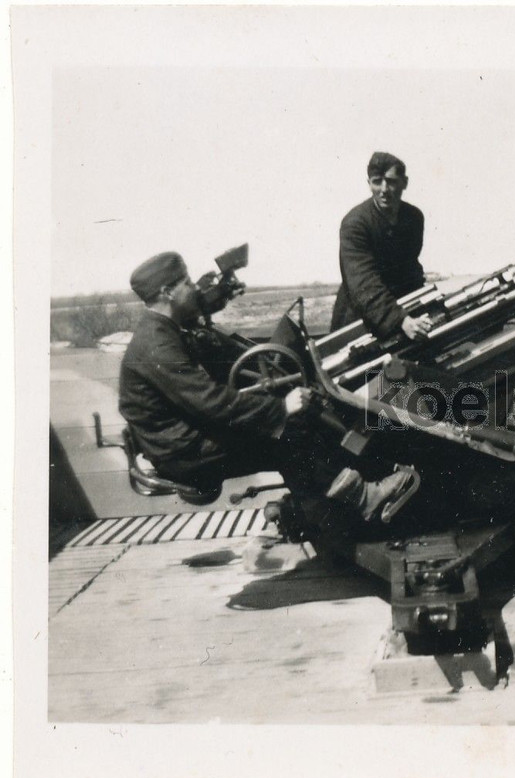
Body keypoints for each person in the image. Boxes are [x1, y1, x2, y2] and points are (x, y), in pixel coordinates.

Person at [118, 250, 409, 522]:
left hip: (185, 437)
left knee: (290, 426)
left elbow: (210, 356)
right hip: (184, 452)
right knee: (289, 433)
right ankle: (358, 501)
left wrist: (210, 300)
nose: (194, 288)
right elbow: (209, 401)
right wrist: (281, 407)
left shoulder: (164, 328)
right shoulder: (156, 344)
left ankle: (326, 502)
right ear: (167, 292)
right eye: (187, 282)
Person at [330, 151, 434, 340]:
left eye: (392, 181)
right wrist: (400, 320)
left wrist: (427, 303)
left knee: (413, 365)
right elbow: (363, 283)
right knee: (373, 370)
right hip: (361, 319)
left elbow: (410, 268)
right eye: (377, 181)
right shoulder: (355, 223)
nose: (384, 189)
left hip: (402, 312)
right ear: (369, 183)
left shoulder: (413, 218)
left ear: (405, 182)